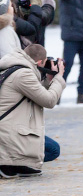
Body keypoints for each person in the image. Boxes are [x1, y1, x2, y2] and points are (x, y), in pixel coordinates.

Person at [0, 43, 65, 177]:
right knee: (52, 150)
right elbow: (49, 101)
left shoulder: (13, 66)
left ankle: (17, 164)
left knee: (50, 148)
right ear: (40, 62)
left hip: (8, 127)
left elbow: (34, 94)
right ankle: (7, 163)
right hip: (7, 130)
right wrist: (59, 78)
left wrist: (49, 80)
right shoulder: (23, 74)